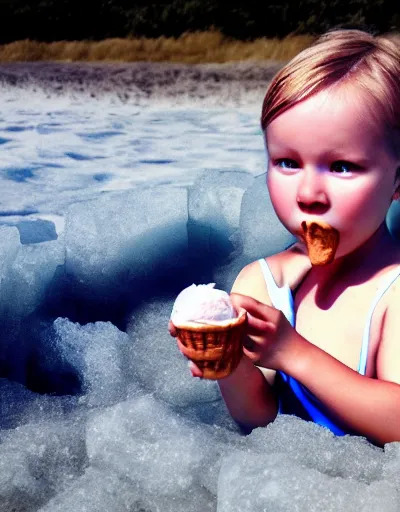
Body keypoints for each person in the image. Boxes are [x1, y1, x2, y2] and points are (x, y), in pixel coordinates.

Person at [170, 28, 400, 446]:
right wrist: (231, 365)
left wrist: (293, 354)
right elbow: (260, 421)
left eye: (343, 166)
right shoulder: (263, 283)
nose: (309, 194)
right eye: (288, 162)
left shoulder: (393, 292)